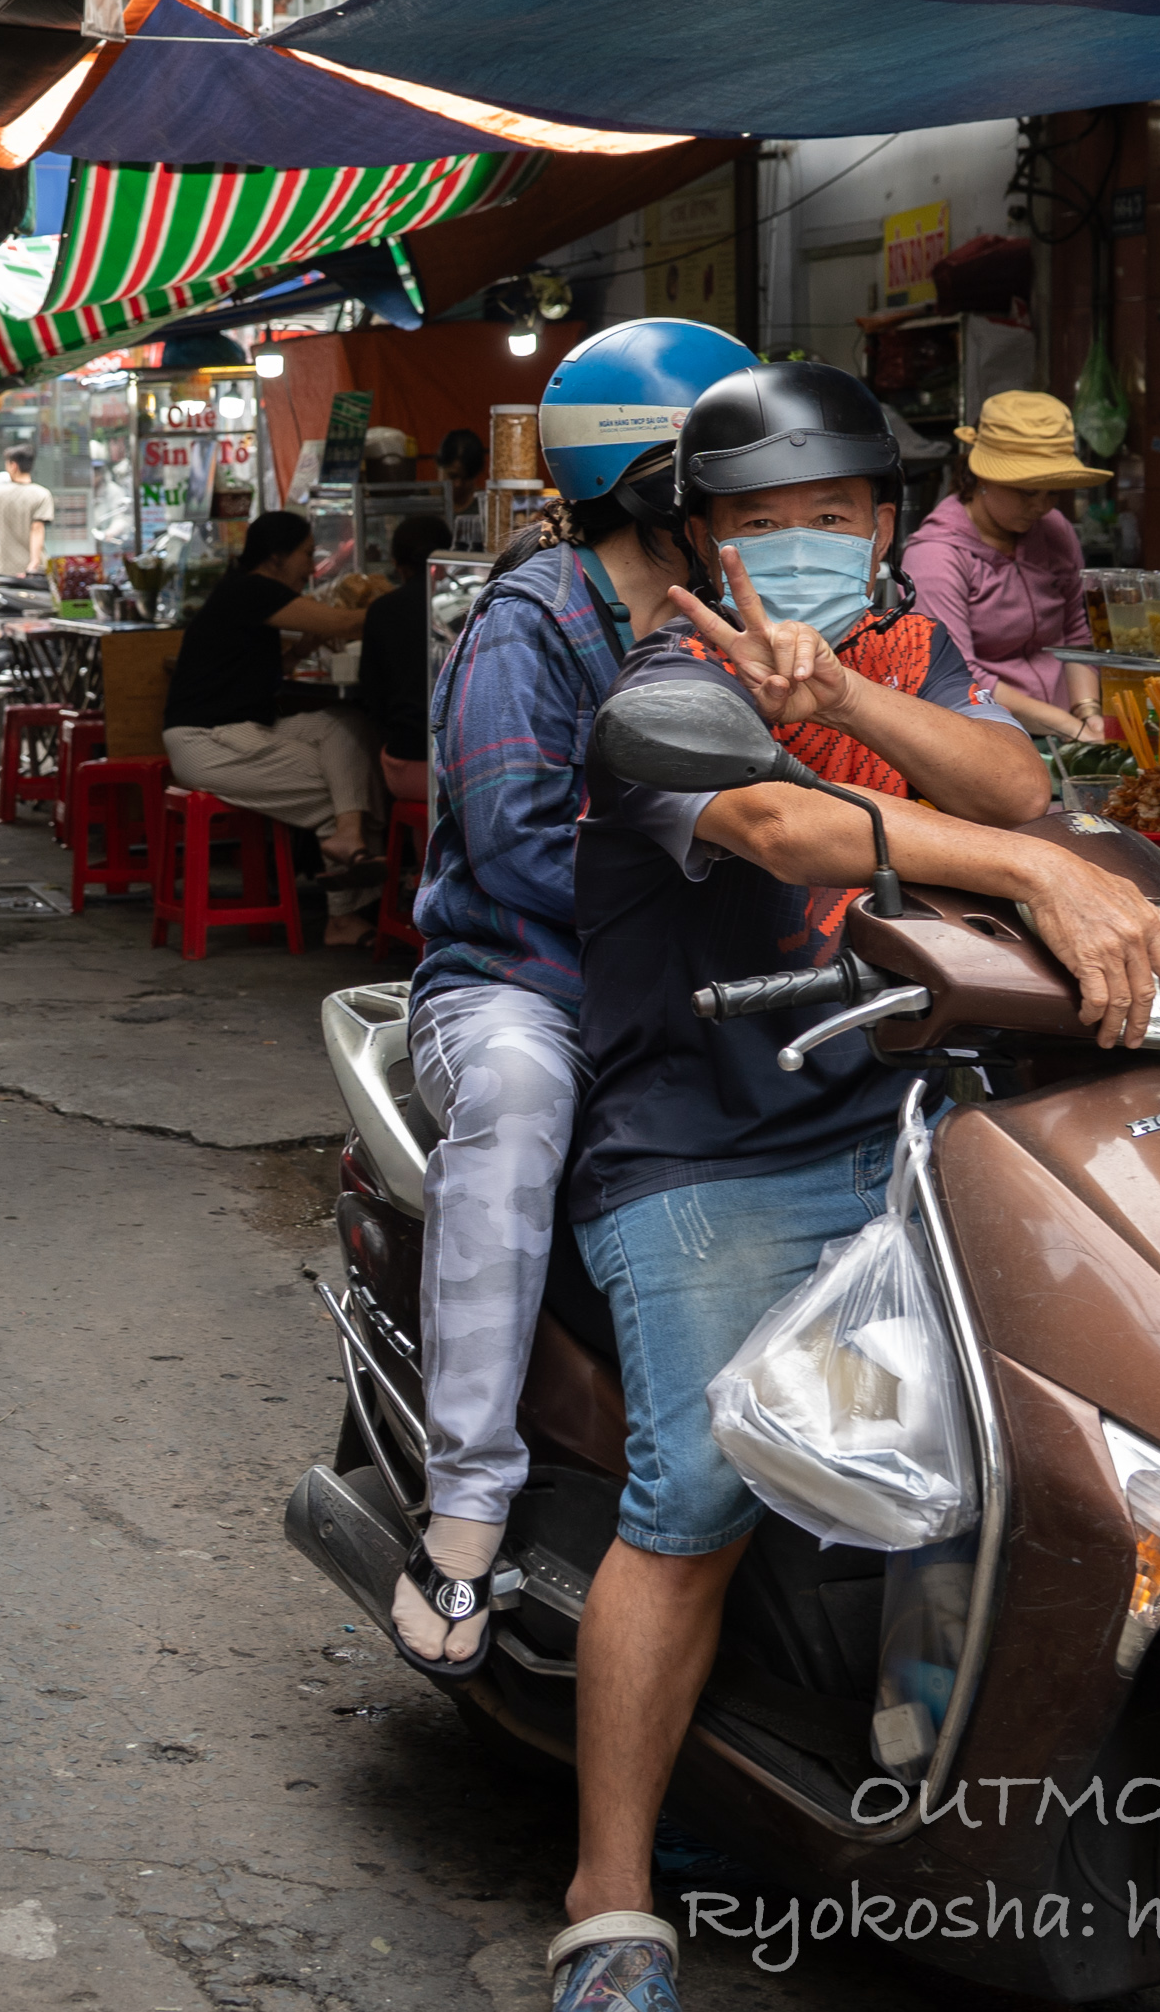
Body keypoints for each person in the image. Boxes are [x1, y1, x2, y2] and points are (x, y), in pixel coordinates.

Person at [540, 363, 1160, 2012]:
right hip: (705, 1142)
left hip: (907, 1122)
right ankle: (608, 1898)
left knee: (1024, 1461)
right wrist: (1034, 871)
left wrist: (848, 683)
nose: (796, 544)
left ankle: (934, 1794)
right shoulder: (665, 686)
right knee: (694, 1501)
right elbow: (785, 828)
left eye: (828, 516)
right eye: (756, 520)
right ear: (703, 541)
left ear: (886, 526)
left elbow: (1012, 781)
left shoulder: (905, 651)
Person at [392, 318, 756, 1682]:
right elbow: (518, 849)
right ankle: (467, 1505)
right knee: (520, 1099)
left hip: (709, 978)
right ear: (659, 491)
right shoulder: (529, 625)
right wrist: (730, 883)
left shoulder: (747, 623)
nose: (765, 518)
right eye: (735, 487)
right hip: (519, 982)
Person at [161, 510, 387, 942]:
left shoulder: (248, 594)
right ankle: (343, 917)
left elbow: (255, 674)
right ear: (276, 556)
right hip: (205, 742)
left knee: (346, 725)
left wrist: (300, 650)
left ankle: (348, 835)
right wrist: (402, 605)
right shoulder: (253, 589)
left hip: (243, 728)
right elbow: (343, 622)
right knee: (344, 785)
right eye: (306, 554)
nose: (311, 566)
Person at [900, 390, 1112, 740]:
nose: (1042, 507)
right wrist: (1067, 726)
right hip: (987, 733)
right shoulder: (936, 555)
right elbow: (955, 672)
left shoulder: (1054, 530)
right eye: (1027, 492)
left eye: (1053, 491)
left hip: (1066, 726)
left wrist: (1087, 712)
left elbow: (1075, 635)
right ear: (982, 476)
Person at [359, 513, 454, 769]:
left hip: (404, 760)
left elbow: (371, 694)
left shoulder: (381, 609)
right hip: (457, 762)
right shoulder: (461, 606)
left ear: (397, 564)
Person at [0, 442, 55, 577]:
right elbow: (37, 529)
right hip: (32, 571)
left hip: (5, 569)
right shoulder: (42, 495)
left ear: (13, 466)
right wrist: (34, 562)